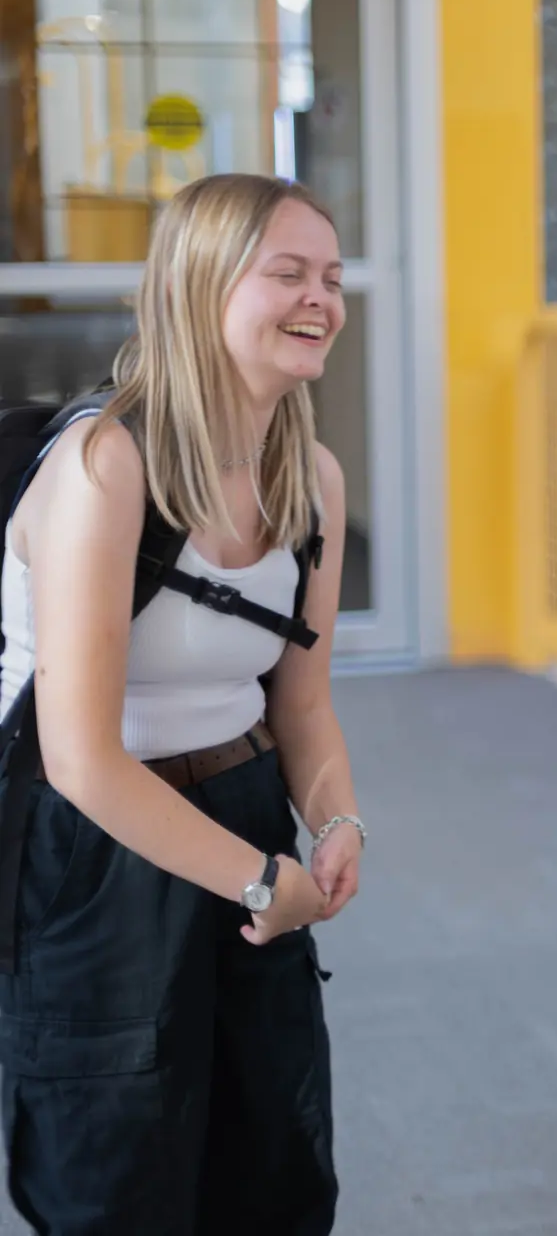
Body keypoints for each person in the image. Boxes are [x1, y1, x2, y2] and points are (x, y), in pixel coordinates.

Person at [0, 173, 364, 1234]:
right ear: (201, 287)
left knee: (274, 1162)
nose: (323, 299)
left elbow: (301, 703)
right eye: (288, 273)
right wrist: (261, 879)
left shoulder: (313, 478)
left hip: (244, 809)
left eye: (333, 278)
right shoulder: (106, 464)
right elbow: (80, 757)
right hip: (93, 849)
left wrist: (337, 817)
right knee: (115, 1180)